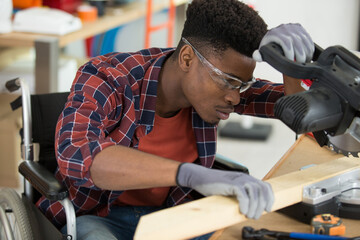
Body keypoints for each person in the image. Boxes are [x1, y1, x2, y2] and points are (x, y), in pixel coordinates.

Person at [37, 0, 314, 239]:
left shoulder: (216, 88)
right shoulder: (107, 78)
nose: (235, 97)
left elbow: (297, 111)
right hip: (99, 217)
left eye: (241, 85)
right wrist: (190, 174)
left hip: (171, 217)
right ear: (186, 59)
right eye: (229, 82)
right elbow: (77, 156)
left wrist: (289, 65)